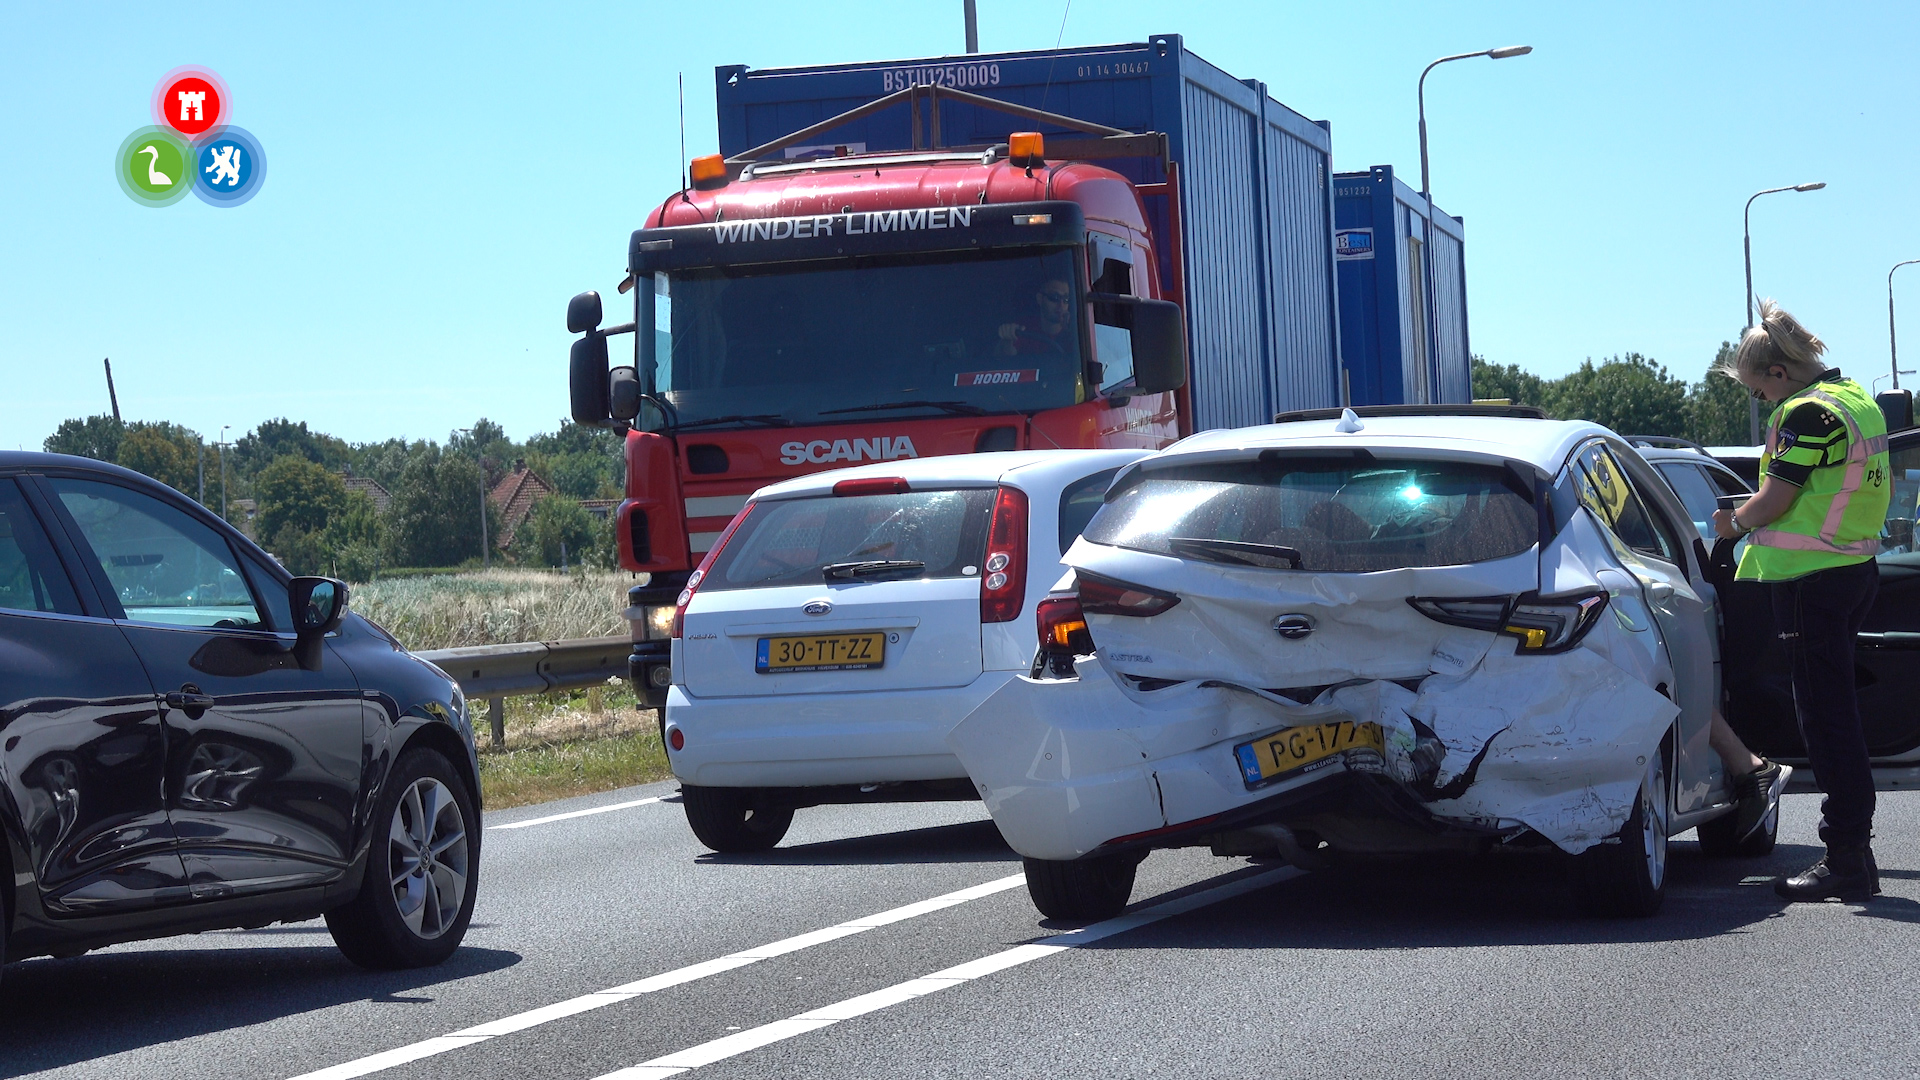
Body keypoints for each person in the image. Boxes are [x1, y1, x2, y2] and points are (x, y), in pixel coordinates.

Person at [1711, 299, 1891, 901]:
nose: (1763, 401)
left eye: (1759, 390)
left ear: (1780, 374)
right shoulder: (1856, 400)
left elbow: (1775, 502)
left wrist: (1731, 524)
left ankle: (1845, 857)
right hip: (1853, 569)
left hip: (1811, 580)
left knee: (1827, 722)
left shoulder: (1806, 414)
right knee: (1836, 715)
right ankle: (1852, 855)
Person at [997, 277, 1074, 356]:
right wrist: (1007, 339)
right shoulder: (1023, 328)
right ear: (1040, 299)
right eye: (1054, 297)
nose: (1061, 305)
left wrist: (1071, 334)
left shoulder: (1078, 331)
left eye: (1066, 299)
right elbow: (1006, 360)